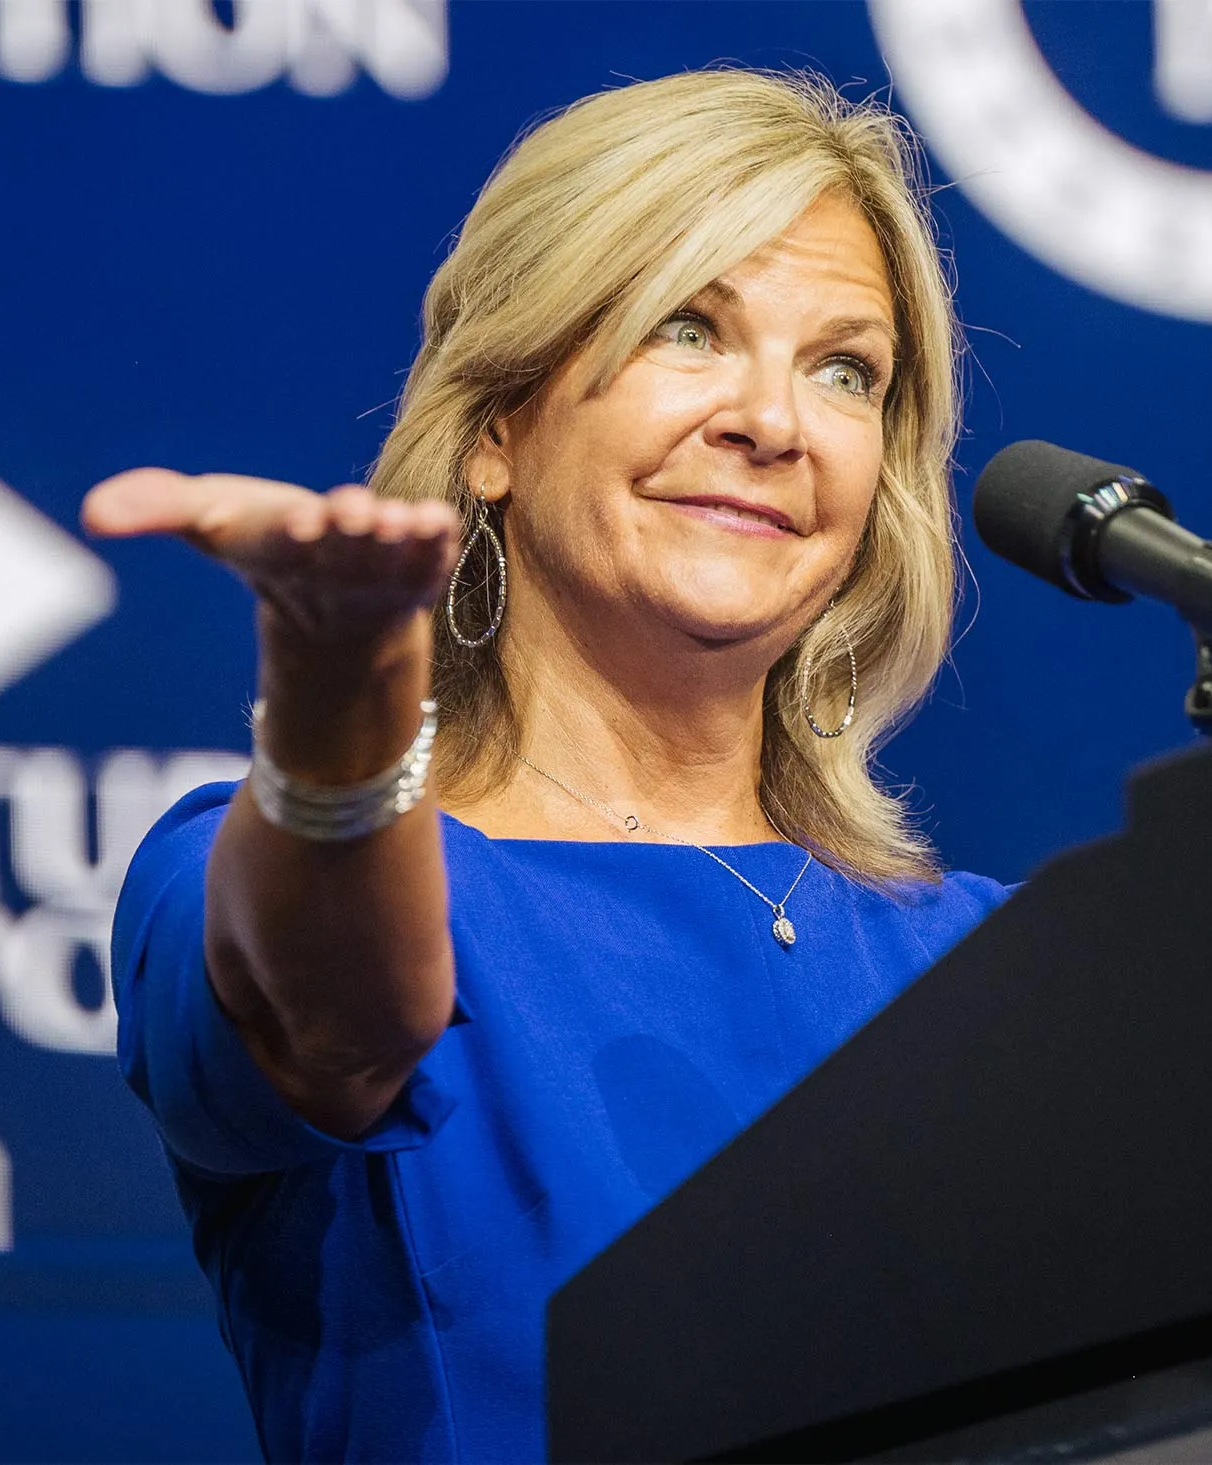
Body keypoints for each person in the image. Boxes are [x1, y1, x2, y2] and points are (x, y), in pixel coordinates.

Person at [85, 68, 1011, 1463]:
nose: (775, 421)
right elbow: (343, 1017)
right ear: (495, 428)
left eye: (844, 370)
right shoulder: (259, 862)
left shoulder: (997, 964)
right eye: (688, 329)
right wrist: (345, 703)